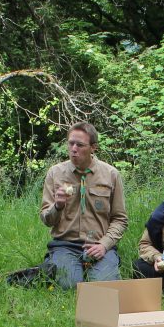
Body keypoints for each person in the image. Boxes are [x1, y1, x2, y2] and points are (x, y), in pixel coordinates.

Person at [39, 122, 127, 287]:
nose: (74, 149)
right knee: (69, 286)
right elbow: (46, 219)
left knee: (104, 287)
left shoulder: (111, 174)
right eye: (71, 143)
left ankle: (100, 267)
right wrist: (57, 207)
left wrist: (104, 245)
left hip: (98, 244)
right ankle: (60, 265)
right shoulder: (56, 173)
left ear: (93, 147)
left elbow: (120, 219)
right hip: (65, 245)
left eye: (80, 145)